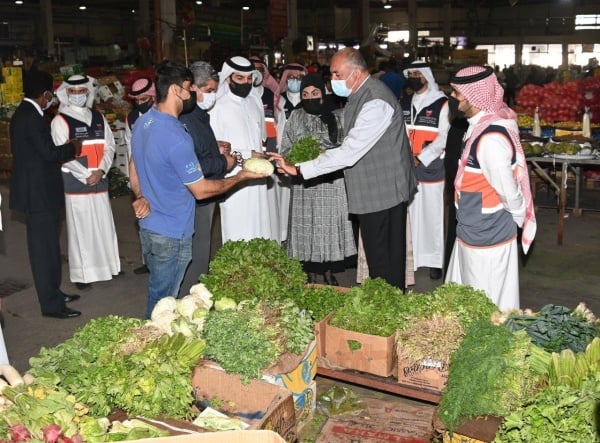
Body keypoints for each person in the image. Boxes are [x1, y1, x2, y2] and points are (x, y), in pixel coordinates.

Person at [269, 48, 417, 291]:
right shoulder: (360, 95)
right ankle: (388, 304)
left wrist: (299, 169)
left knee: (384, 259)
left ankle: (387, 309)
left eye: (337, 74)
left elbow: (349, 151)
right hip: (376, 191)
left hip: (382, 192)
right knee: (383, 259)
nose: (333, 81)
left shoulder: (375, 101)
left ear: (356, 73)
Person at [129, 60, 268, 318]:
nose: (192, 93)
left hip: (149, 227)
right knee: (166, 305)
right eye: (189, 87)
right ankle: (157, 346)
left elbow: (133, 165)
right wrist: (240, 177)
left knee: (159, 295)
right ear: (175, 90)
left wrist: (139, 195)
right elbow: (202, 190)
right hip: (172, 232)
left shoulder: (144, 121)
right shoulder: (176, 135)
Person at [445, 65, 537, 311]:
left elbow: (509, 191)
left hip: (488, 230)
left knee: (485, 298)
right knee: (467, 292)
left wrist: (517, 219)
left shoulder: (490, 139)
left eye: (456, 94)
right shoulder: (479, 125)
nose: (452, 99)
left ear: (473, 96)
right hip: (474, 223)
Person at [9, 69, 83, 318]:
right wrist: (72, 147)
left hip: (40, 192)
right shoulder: (31, 117)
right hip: (38, 195)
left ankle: (54, 291)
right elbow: (49, 154)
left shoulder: (27, 113)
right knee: (43, 252)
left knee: (50, 247)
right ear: (44, 94)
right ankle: (51, 306)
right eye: (50, 94)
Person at [280, 73, 356, 285]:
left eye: (315, 93)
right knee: (306, 227)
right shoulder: (295, 117)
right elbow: (285, 147)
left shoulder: (338, 116)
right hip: (303, 181)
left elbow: (347, 147)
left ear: (323, 94)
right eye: (305, 94)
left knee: (328, 227)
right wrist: (296, 158)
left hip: (331, 182)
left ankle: (328, 271)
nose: (311, 98)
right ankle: (311, 273)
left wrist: (326, 154)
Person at [50, 74, 121, 291]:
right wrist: (85, 175)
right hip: (76, 182)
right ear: (66, 93)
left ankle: (109, 267)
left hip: (99, 180)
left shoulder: (98, 117)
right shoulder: (60, 121)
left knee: (104, 225)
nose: (78, 95)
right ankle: (82, 275)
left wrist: (100, 171)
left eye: (82, 91)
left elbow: (109, 146)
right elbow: (62, 153)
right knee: (80, 229)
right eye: (74, 92)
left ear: (88, 93)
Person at [178, 61, 236, 296]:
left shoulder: (200, 115)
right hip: (195, 194)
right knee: (195, 252)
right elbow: (190, 164)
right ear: (194, 88)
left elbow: (200, 149)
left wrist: (215, 146)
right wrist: (224, 163)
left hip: (207, 192)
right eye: (209, 91)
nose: (212, 96)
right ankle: (189, 298)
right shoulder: (185, 118)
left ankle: (197, 295)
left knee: (203, 249)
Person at [208, 56, 280, 243]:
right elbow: (214, 146)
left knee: (261, 225)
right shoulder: (217, 106)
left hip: (258, 175)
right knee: (237, 228)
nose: (246, 83)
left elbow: (261, 138)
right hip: (234, 176)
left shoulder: (255, 101)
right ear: (228, 78)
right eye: (240, 78)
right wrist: (248, 155)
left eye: (249, 79)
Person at [401, 61, 450, 280]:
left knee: (431, 215)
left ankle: (433, 261)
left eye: (417, 74)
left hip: (430, 167)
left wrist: (422, 156)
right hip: (407, 167)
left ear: (426, 76)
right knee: (411, 215)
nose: (413, 77)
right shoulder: (404, 102)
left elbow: (444, 137)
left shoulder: (442, 104)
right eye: (410, 73)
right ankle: (413, 258)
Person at [123, 77, 156, 276]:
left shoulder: (162, 113)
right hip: (140, 173)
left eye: (145, 98)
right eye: (138, 100)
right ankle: (147, 259)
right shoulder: (131, 117)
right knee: (143, 217)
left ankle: (159, 260)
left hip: (159, 173)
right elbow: (129, 146)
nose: (142, 103)